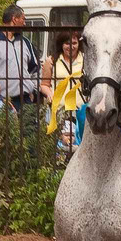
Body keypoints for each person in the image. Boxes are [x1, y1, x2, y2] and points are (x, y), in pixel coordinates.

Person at [0, 4, 42, 112]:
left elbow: (35, 68)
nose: (24, 23)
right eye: (23, 19)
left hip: (25, 101)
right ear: (14, 19)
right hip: (0, 102)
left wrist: (34, 90)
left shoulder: (25, 42)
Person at [40, 29, 85, 157]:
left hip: (80, 111)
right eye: (67, 43)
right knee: (60, 151)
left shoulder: (86, 60)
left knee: (81, 149)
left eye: (74, 43)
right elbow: (44, 85)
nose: (71, 47)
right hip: (60, 112)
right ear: (61, 44)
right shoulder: (52, 61)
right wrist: (49, 93)